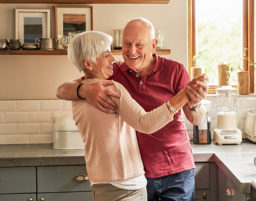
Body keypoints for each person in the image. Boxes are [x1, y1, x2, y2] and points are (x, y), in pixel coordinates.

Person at [57, 18, 208, 201]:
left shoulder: (175, 70)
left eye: (139, 44)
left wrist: (194, 101)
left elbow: (196, 119)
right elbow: (61, 90)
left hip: (176, 169)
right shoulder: (114, 74)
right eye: (127, 44)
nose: (131, 51)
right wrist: (84, 90)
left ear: (153, 45)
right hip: (139, 173)